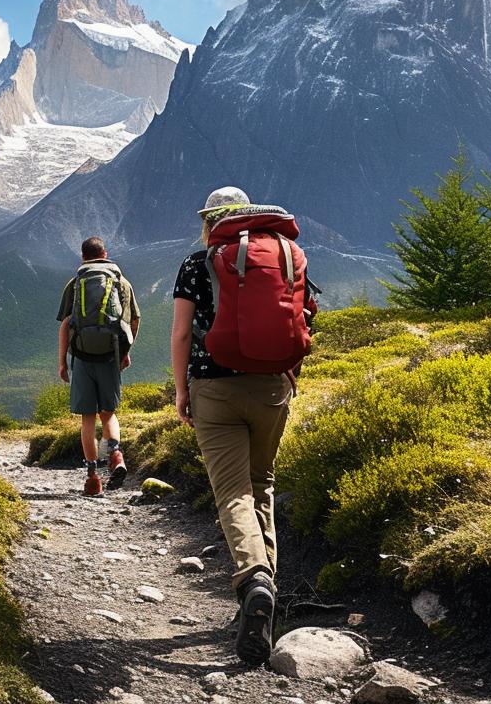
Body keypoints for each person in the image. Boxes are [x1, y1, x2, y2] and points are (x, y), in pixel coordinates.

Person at [170, 186, 316, 665]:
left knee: (232, 492)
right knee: (262, 484)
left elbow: (181, 332)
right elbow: (303, 319)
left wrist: (181, 390)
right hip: (272, 385)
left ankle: (254, 580)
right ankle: (264, 600)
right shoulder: (287, 254)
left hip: (214, 389)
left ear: (213, 221)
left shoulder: (198, 263)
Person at [57, 235, 140, 497]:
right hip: (109, 357)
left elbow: (65, 325)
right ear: (105, 253)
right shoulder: (121, 282)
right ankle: (115, 453)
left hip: (82, 358)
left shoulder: (76, 283)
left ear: (83, 257)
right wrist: (124, 352)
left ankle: (93, 478)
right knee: (109, 413)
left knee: (87, 420)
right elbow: (134, 320)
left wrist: (62, 362)